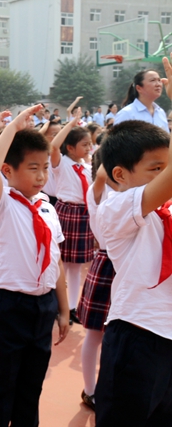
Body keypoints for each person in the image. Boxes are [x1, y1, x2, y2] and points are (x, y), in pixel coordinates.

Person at [0, 105, 70, 427]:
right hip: (9, 302)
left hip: (42, 303)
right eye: (32, 168)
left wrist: (63, 310)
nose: (41, 175)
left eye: (44, 168)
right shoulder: (0, 204)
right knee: (2, 380)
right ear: (10, 171)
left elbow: (58, 260)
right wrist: (13, 126)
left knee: (33, 380)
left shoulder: (47, 207)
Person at [87, 116, 172, 427]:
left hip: (168, 342)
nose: (164, 176)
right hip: (137, 337)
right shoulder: (117, 208)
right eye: (157, 169)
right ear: (120, 174)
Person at [76, 150, 115, 410]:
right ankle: (90, 390)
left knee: (115, 336)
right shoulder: (97, 190)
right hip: (107, 262)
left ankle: (107, 390)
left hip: (127, 265)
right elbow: (102, 175)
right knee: (94, 333)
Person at [50, 104, 94, 324]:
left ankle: (72, 306)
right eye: (84, 145)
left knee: (76, 266)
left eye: (90, 144)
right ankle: (59, 305)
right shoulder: (62, 164)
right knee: (60, 262)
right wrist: (71, 122)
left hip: (84, 214)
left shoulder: (87, 167)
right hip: (67, 213)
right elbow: (53, 146)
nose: (89, 148)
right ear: (70, 147)